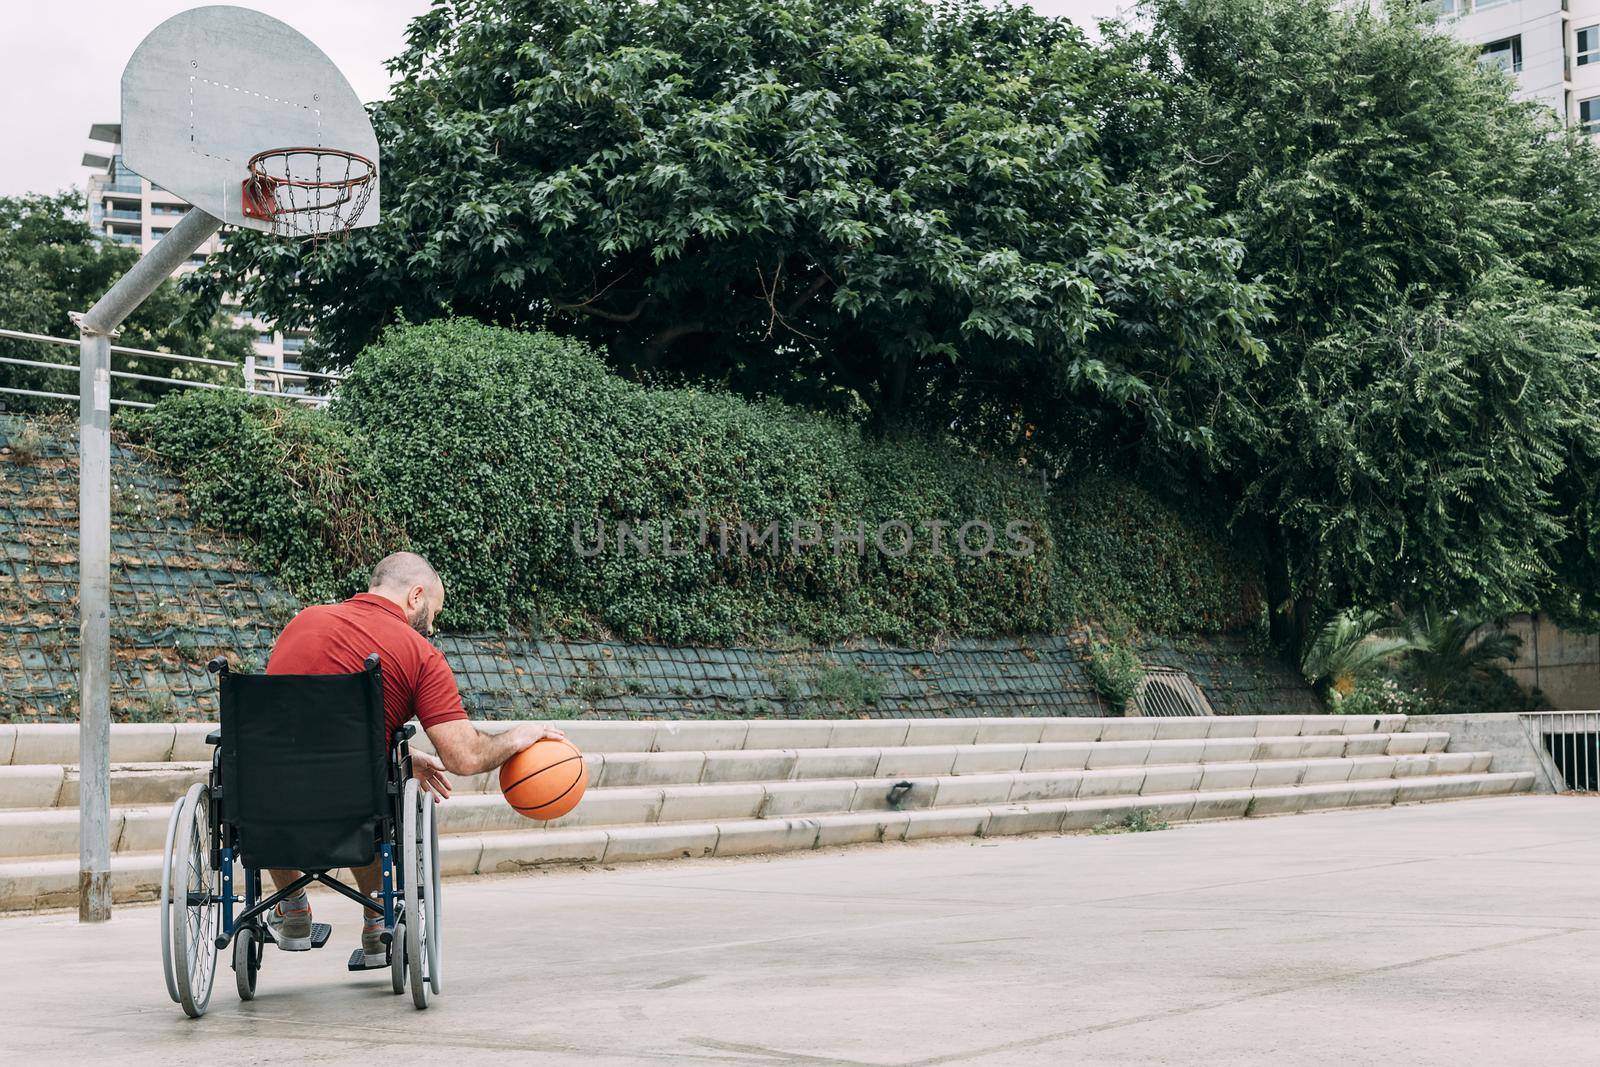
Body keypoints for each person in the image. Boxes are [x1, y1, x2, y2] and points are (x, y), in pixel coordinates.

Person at [261, 550, 564, 962]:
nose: (432, 626)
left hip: (266, 804)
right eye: (434, 613)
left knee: (275, 780)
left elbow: (302, 724)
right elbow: (464, 756)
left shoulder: (302, 622)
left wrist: (398, 753)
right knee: (370, 801)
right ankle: (378, 916)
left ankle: (292, 906)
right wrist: (517, 737)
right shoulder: (419, 653)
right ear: (416, 596)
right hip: (352, 807)